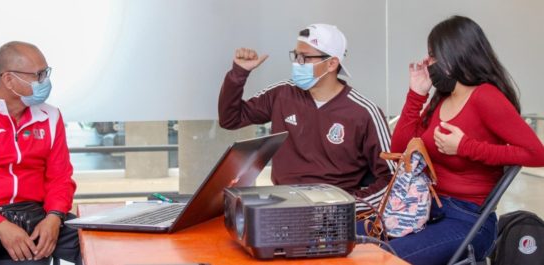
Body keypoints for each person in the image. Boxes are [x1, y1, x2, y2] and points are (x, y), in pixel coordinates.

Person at [358, 16, 544, 265]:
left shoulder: (485, 97)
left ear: (456, 53)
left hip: (466, 220)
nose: (429, 63)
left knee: (378, 258)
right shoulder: (441, 99)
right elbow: (399, 149)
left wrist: (465, 147)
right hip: (423, 210)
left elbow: (536, 153)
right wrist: (416, 94)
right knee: (346, 237)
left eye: (433, 56)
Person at [218, 24, 394, 211]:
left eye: (305, 58)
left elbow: (391, 178)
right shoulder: (282, 94)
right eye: (295, 56)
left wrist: (348, 207)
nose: (297, 63)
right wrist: (239, 73)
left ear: (332, 64)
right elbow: (231, 119)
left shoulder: (364, 112)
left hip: (335, 217)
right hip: (283, 207)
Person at [0, 41, 81, 265]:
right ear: (8, 79)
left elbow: (60, 177)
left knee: (94, 240)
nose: (45, 82)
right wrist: (0, 225)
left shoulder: (50, 116)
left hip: (35, 213)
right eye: (38, 75)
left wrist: (54, 217)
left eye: (46, 73)